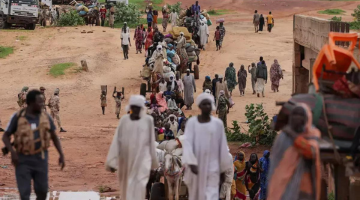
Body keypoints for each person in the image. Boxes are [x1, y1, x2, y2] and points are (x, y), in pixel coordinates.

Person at [2, 90, 65, 200]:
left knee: (42, 192)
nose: (42, 104)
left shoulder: (46, 117)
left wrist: (61, 154)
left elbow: (54, 136)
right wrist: (12, 152)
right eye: (39, 102)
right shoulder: (18, 117)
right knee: (24, 193)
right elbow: (5, 136)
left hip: (41, 159)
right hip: (22, 160)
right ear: (31, 102)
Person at [105, 95, 159, 200]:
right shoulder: (124, 120)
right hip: (126, 160)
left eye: (138, 108)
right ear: (131, 108)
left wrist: (153, 164)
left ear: (141, 108)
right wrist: (111, 161)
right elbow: (117, 141)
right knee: (126, 188)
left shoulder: (148, 120)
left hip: (142, 160)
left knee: (139, 186)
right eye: (133, 107)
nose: (135, 110)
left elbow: (151, 143)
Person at [182, 93, 232, 200]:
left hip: (213, 167)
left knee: (212, 195)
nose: (207, 107)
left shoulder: (218, 124)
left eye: (209, 104)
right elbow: (187, 144)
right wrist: (192, 164)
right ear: (199, 106)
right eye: (204, 104)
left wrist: (223, 169)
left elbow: (222, 147)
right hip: (196, 168)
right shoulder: (192, 123)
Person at [267, 104, 321, 200]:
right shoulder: (283, 137)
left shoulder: (312, 133)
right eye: (295, 115)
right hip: (282, 185)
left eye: (301, 116)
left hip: (304, 186)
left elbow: (311, 151)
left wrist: (294, 136)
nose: (298, 119)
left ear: (307, 118)